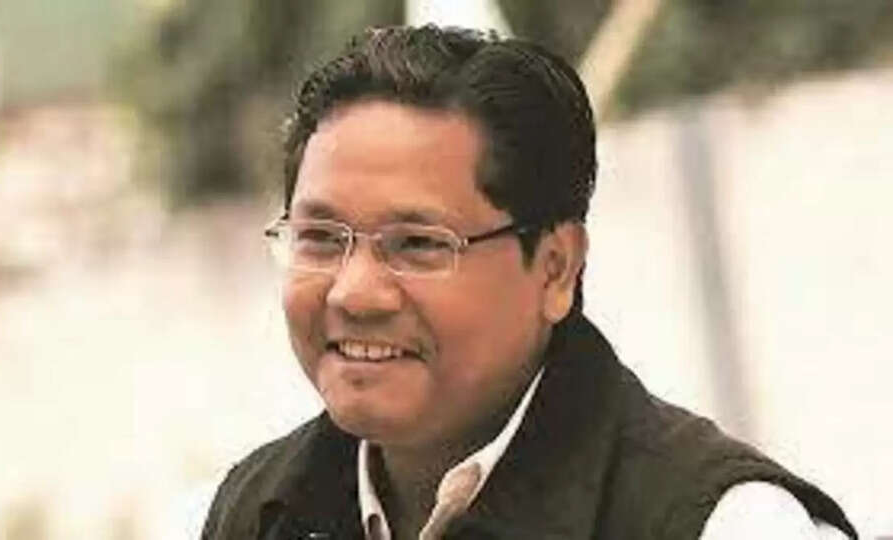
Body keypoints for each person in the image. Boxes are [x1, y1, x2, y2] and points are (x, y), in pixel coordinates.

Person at [201, 25, 857, 540]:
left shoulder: (718, 523)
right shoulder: (260, 510)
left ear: (555, 268)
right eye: (320, 238)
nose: (352, 293)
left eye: (419, 244)